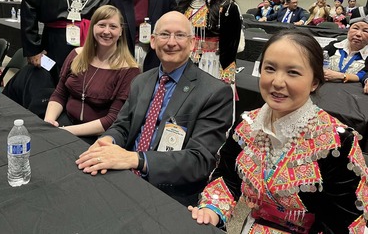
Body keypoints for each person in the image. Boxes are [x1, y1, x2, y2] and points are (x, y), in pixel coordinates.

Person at [189, 30, 368, 233]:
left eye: (293, 72)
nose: (277, 82)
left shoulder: (337, 142)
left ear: (315, 82)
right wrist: (211, 210)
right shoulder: (247, 124)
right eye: (270, 68)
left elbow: (344, 222)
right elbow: (226, 177)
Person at [76, 12, 233, 206]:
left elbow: (199, 160)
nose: (171, 42)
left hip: (169, 192)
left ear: (192, 44)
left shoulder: (215, 93)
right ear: (152, 41)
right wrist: (108, 140)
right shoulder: (141, 81)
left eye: (180, 35)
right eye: (164, 34)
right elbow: (123, 125)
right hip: (123, 176)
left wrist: (136, 160)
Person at [44, 5, 140, 139]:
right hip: (64, 122)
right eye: (101, 25)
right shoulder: (76, 54)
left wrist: (65, 132)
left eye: (113, 26)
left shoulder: (129, 70)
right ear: (93, 27)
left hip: (96, 136)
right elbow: (60, 94)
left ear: (121, 31)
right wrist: (49, 122)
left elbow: (112, 119)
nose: (106, 31)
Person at [323, 16, 368, 84]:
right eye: (355, 28)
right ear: (348, 30)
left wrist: (341, 76)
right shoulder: (334, 46)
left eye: (365, 31)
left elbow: (364, 75)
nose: (358, 34)